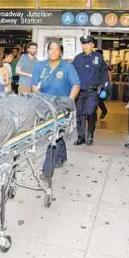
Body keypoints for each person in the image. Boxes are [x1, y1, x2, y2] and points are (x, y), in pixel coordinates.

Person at [32, 40, 80, 180]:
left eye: (56, 49)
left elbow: (76, 85)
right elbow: (34, 86)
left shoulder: (68, 67)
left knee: (54, 135)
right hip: (44, 107)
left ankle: (47, 170)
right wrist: (38, 96)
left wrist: (69, 102)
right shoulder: (40, 66)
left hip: (61, 108)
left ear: (61, 52)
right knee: (57, 134)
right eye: (50, 49)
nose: (53, 52)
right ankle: (62, 156)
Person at [72, 37, 108, 145]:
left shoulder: (98, 57)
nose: (85, 46)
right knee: (79, 114)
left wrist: (105, 88)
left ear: (92, 45)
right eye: (83, 44)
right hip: (79, 92)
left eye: (88, 44)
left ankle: (90, 134)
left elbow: (105, 74)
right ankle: (81, 136)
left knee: (91, 113)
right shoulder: (77, 58)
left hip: (92, 91)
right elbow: (71, 74)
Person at [96, 49, 110, 120]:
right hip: (95, 84)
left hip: (101, 85)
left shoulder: (103, 64)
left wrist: (105, 88)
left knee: (98, 100)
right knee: (96, 100)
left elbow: (106, 76)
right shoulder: (95, 62)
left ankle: (104, 111)